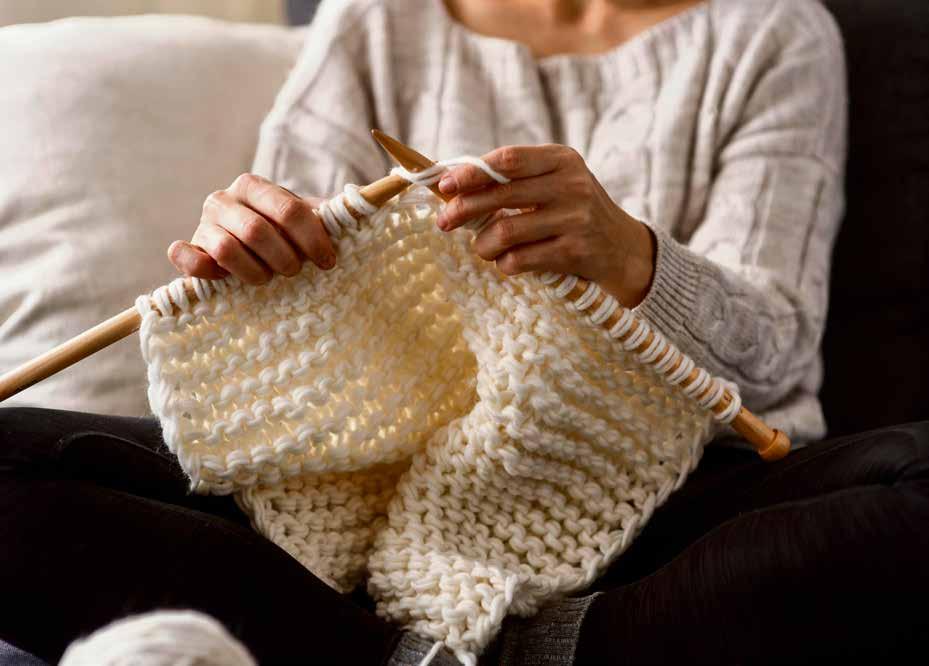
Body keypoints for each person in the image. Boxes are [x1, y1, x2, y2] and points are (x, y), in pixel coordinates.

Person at [2, 0, 927, 664]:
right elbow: (293, 287)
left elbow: (777, 350)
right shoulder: (378, 19)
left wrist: (635, 259)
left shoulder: (771, 28)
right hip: (371, 498)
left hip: (674, 498)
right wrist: (251, 250)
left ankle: (454, 648)